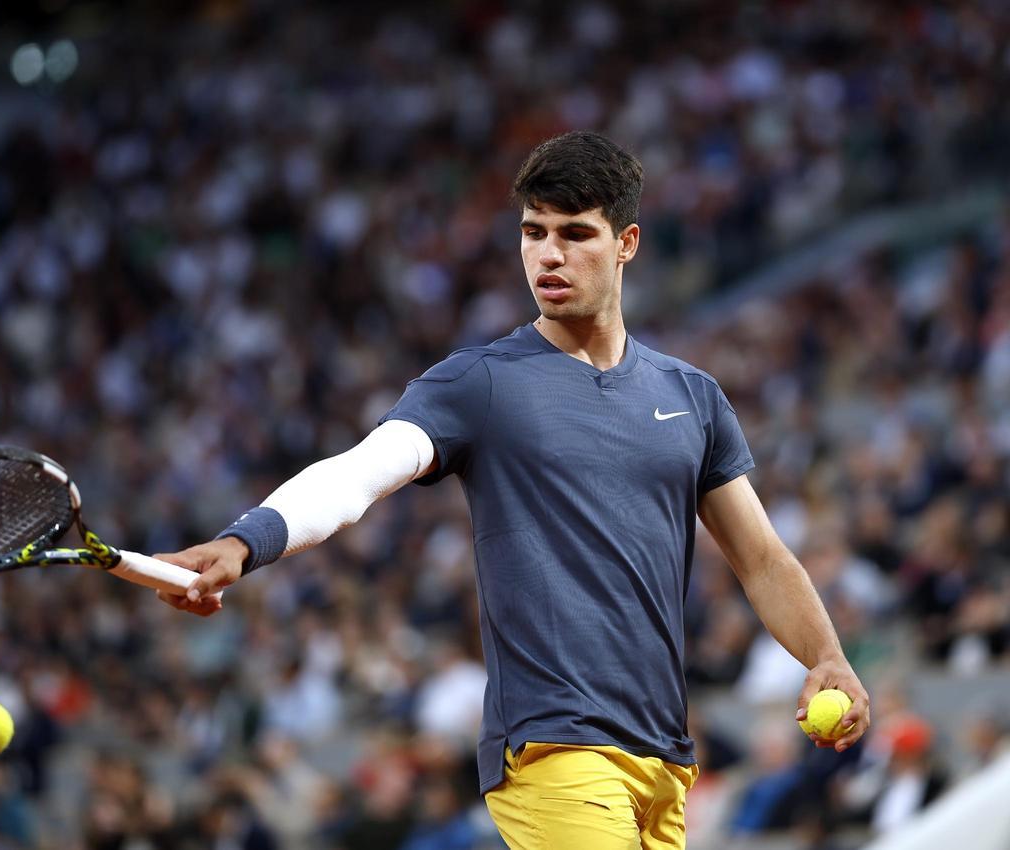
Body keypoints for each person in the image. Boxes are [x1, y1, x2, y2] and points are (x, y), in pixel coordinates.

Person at [154, 131, 871, 849]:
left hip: (664, 762)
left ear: (626, 244)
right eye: (534, 233)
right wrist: (247, 540)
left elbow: (762, 559)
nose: (548, 255)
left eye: (575, 234)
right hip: (555, 750)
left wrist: (826, 656)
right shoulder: (479, 383)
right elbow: (358, 473)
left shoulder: (693, 396)